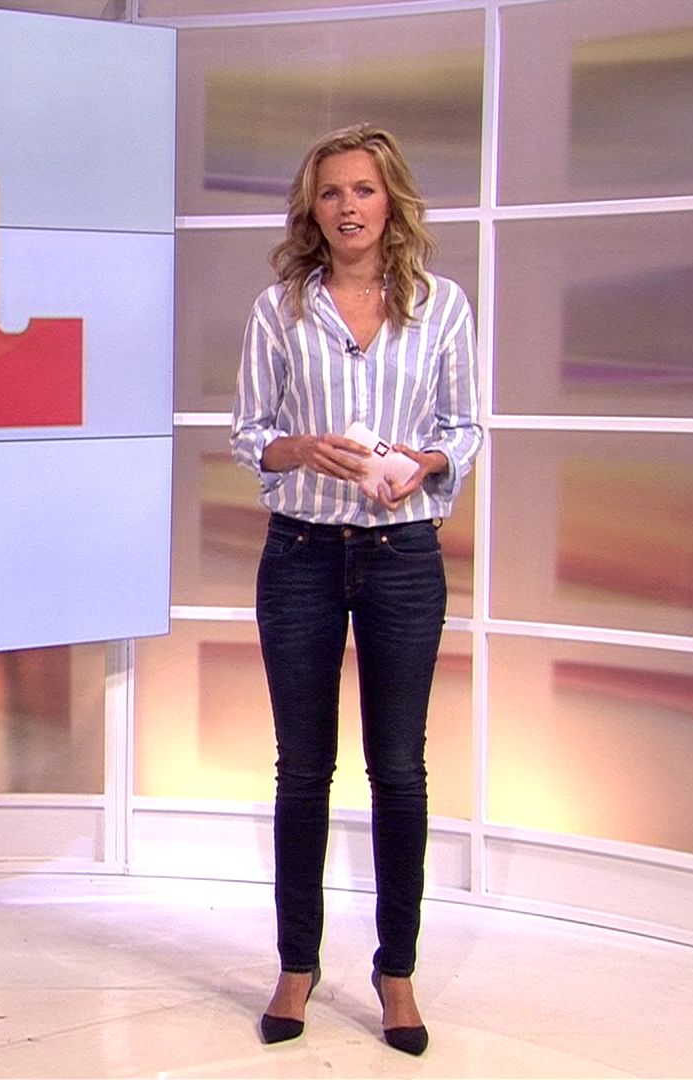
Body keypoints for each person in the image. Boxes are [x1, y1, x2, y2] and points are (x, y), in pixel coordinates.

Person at [229, 124, 481, 1056]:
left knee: (399, 769)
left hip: (403, 558)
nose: (348, 207)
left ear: (390, 200)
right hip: (300, 552)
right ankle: (297, 965)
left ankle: (396, 971)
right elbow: (249, 435)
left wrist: (429, 463)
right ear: (314, 208)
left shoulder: (442, 306)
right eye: (331, 192)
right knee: (303, 769)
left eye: (363, 190)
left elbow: (465, 425)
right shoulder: (280, 310)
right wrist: (299, 447)